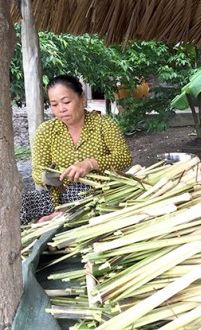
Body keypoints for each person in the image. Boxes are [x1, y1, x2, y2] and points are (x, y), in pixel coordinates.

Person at [21, 74, 132, 225]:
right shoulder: (46, 131)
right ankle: (57, 216)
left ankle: (61, 218)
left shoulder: (104, 125)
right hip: (56, 196)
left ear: (82, 98)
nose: (61, 109)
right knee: (20, 205)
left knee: (80, 195)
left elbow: (124, 158)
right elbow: (37, 171)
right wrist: (47, 177)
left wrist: (91, 164)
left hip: (97, 194)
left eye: (66, 102)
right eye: (54, 104)